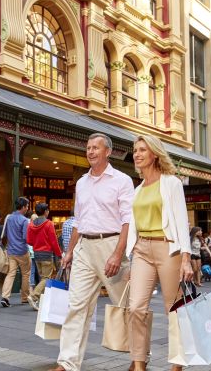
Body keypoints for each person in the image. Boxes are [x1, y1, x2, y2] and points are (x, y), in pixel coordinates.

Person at [48, 133, 133, 371]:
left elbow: (128, 220)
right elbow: (78, 220)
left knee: (126, 305)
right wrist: (69, 251)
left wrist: (118, 253)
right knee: (76, 305)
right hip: (84, 247)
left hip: (111, 245)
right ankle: (67, 362)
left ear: (108, 152)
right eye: (88, 148)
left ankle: (139, 358)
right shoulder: (81, 182)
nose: (91, 151)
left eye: (96, 148)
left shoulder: (122, 180)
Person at [125, 134, 193, 371]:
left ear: (154, 154)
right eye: (135, 150)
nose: (137, 154)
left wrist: (186, 257)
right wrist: (130, 254)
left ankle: (177, 364)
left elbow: (182, 221)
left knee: (173, 309)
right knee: (136, 307)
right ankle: (139, 363)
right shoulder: (138, 189)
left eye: (142, 149)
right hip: (142, 249)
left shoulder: (171, 183)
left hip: (168, 248)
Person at [26, 202, 62, 311]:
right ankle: (34, 296)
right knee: (46, 278)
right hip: (47, 254)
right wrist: (59, 254)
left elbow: (29, 241)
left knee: (43, 278)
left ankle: (40, 300)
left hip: (36, 254)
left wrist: (37, 244)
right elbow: (54, 242)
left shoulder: (31, 224)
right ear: (45, 211)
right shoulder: (49, 224)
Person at [0, 197, 31, 308]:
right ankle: (24, 297)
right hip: (22, 251)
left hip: (11, 250)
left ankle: (5, 297)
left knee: (11, 273)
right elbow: (25, 237)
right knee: (26, 274)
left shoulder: (9, 218)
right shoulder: (24, 220)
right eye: (27, 206)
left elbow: (6, 234)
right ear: (23, 207)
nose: (27, 208)